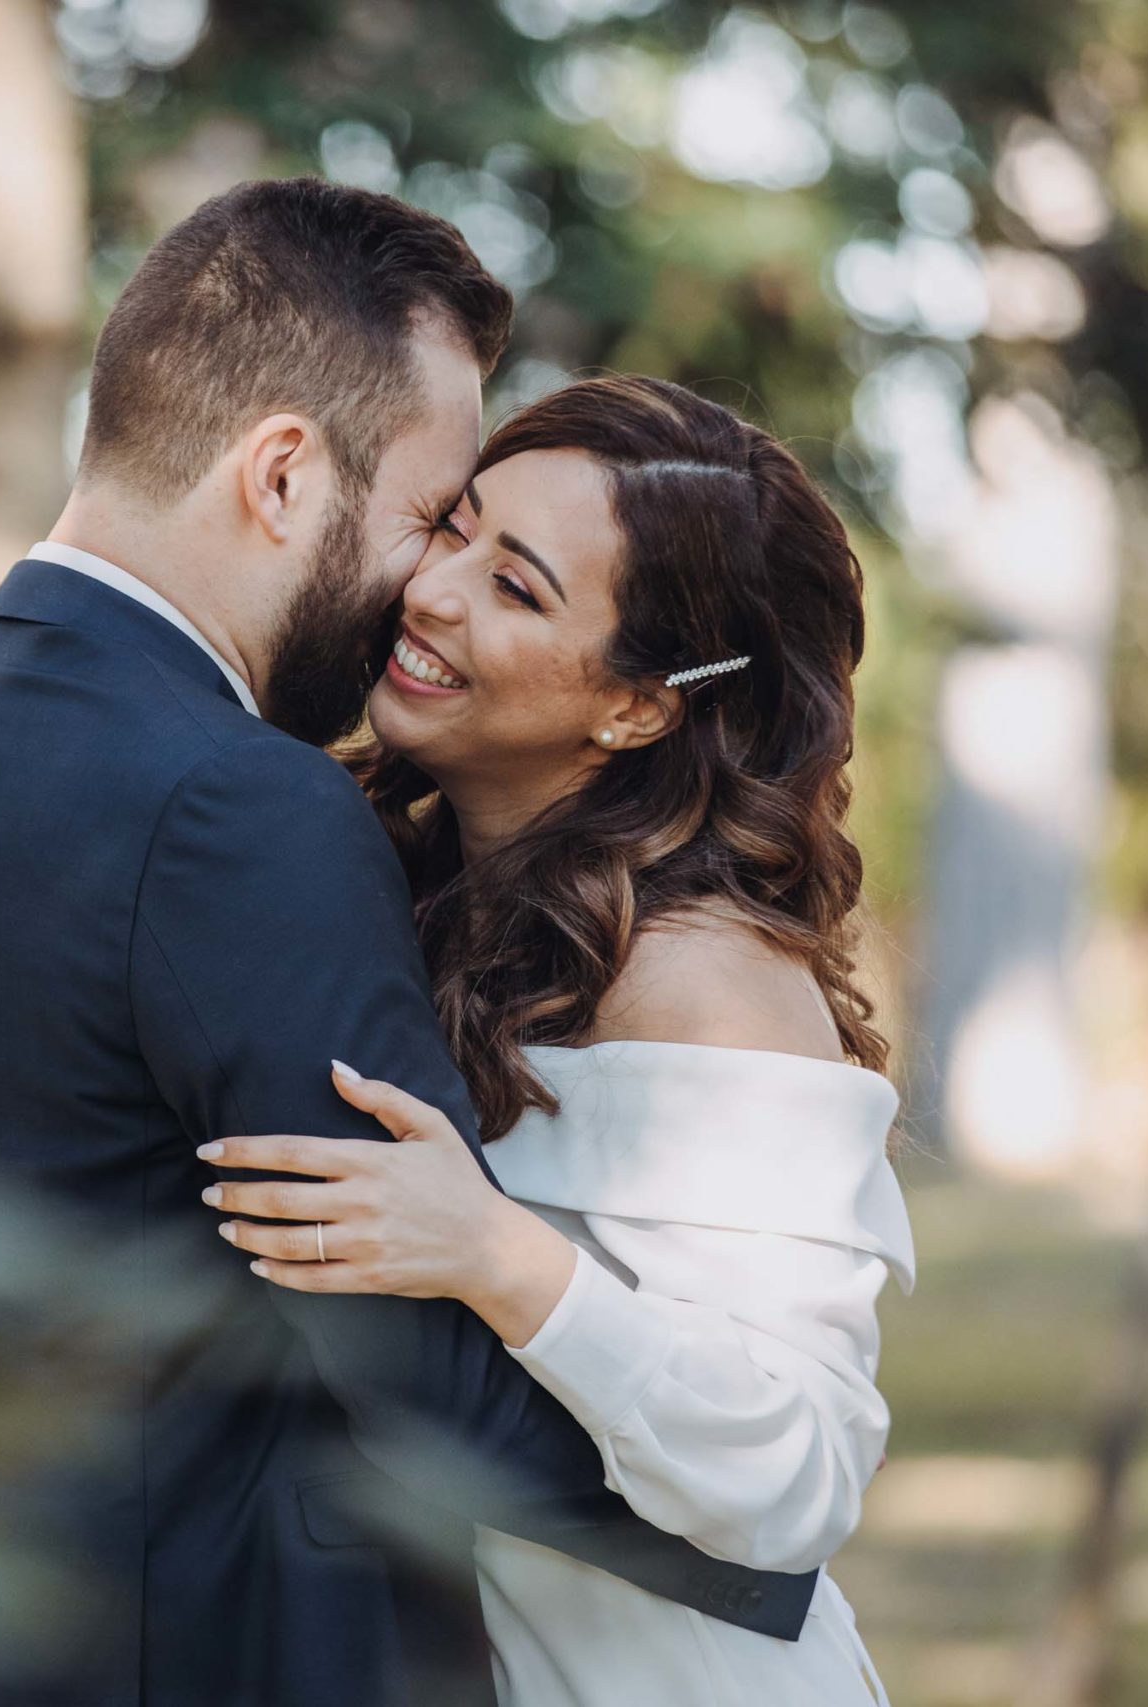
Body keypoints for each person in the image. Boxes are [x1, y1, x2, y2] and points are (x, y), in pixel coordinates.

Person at [0, 181, 819, 1707]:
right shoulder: (230, 804)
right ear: (279, 476)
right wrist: (758, 1545)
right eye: (426, 517)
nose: (425, 586)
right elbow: (411, 1364)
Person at [200, 374, 913, 1705]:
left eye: (518, 589)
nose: (436, 592)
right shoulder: (401, 882)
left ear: (638, 706)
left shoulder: (707, 979)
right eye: (457, 529)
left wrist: (498, 1257)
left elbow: (799, 1473)